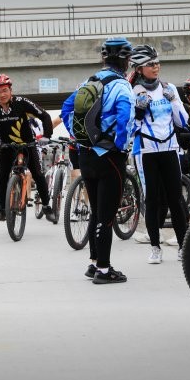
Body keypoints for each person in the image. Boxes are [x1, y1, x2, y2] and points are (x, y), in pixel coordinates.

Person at [61, 37, 134, 284]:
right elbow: (125, 118)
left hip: (85, 155)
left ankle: (93, 263)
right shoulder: (122, 86)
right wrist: (120, 146)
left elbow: (66, 109)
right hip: (109, 157)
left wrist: (79, 136)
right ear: (126, 60)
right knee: (107, 216)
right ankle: (103, 269)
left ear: (104, 58)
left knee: (96, 211)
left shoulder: (89, 81)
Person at [127, 44, 190, 263]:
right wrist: (138, 111)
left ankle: (183, 246)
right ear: (139, 68)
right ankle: (155, 247)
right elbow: (129, 130)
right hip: (146, 151)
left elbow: (182, 121)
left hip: (169, 148)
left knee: (176, 199)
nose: (156, 67)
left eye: (157, 63)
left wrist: (173, 100)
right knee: (152, 200)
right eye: (150, 64)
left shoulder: (168, 88)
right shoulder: (133, 91)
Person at [0, 73, 54, 221]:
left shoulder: (22, 102)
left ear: (11, 90)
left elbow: (45, 116)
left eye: (5, 90)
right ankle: (2, 209)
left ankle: (47, 206)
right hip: (7, 146)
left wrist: (46, 136)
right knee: (1, 177)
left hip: (28, 145)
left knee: (38, 174)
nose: (2, 94)